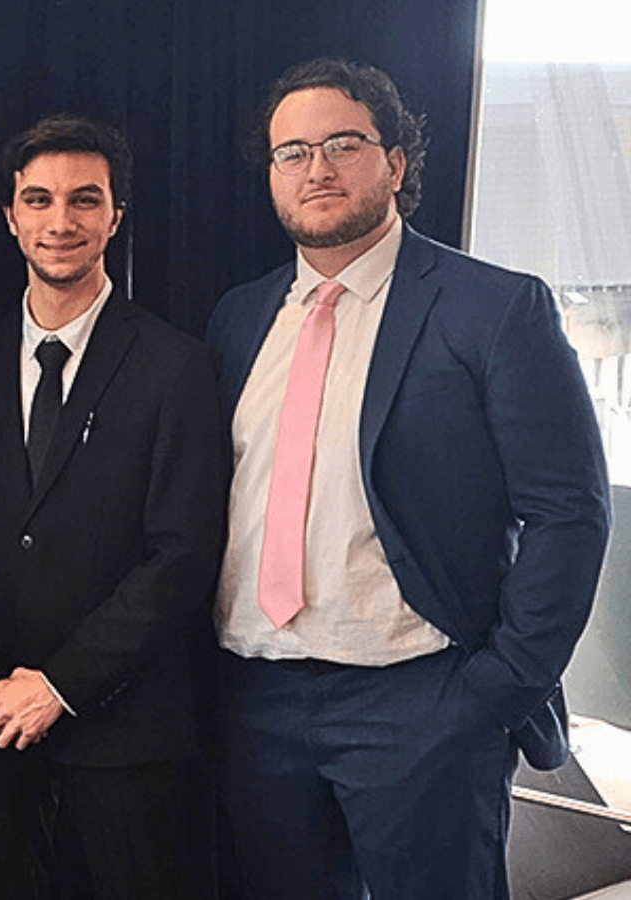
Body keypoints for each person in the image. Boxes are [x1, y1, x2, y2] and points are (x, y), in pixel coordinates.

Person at [208, 57, 611, 899]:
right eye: (292, 151)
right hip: (257, 702)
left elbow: (569, 515)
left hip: (421, 702)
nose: (316, 168)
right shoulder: (238, 318)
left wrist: (492, 692)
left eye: (343, 144)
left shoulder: (495, 309)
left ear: (395, 163)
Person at [0, 114, 226, 899]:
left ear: (116, 217)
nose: (60, 222)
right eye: (38, 200)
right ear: (9, 217)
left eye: (84, 200)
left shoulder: (176, 366)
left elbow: (183, 555)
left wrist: (58, 685)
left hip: (127, 738)